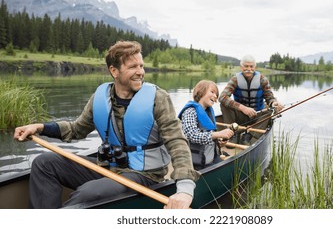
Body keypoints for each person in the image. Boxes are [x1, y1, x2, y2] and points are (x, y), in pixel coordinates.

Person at [13, 40, 199, 209]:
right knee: (44, 163)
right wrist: (41, 128)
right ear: (114, 71)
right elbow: (76, 130)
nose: (141, 72)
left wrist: (185, 188)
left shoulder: (158, 97)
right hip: (108, 167)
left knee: (87, 193)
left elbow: (177, 142)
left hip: (144, 175)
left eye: (141, 66)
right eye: (133, 66)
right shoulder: (100, 97)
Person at [218, 54, 284, 145]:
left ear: (255, 67)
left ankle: (250, 134)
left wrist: (274, 103)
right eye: (246, 66)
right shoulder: (235, 79)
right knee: (224, 104)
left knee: (274, 109)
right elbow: (222, 97)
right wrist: (243, 108)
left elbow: (270, 98)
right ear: (241, 67)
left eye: (251, 66)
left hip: (258, 116)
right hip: (240, 116)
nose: (249, 69)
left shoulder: (262, 79)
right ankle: (233, 132)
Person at [178, 80, 234, 170]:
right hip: (195, 165)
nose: (215, 96)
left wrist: (218, 142)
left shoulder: (208, 112)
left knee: (232, 169)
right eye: (212, 92)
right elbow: (192, 135)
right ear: (200, 92)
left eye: (216, 94)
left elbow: (209, 136)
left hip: (210, 159)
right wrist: (218, 134)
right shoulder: (190, 112)